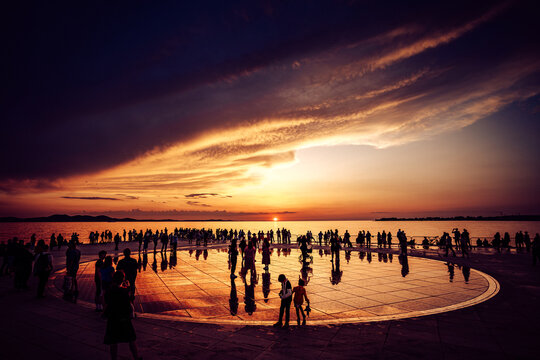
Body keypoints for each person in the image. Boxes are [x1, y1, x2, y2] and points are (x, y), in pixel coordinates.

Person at [103, 271, 141, 360]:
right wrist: (129, 290)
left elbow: (107, 303)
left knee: (113, 341)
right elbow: (130, 303)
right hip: (124, 318)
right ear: (122, 280)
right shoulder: (124, 291)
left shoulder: (109, 291)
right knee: (131, 339)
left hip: (113, 318)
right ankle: (136, 357)